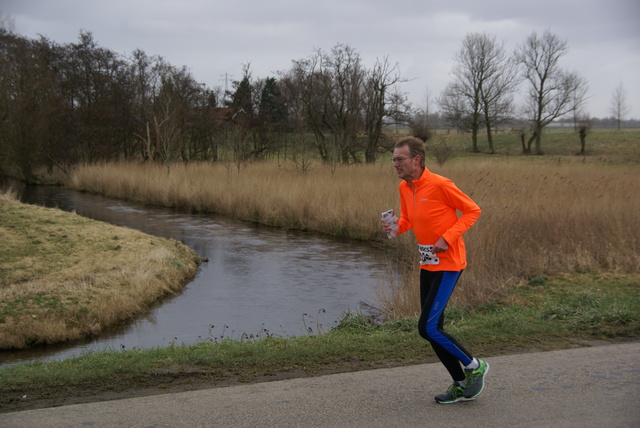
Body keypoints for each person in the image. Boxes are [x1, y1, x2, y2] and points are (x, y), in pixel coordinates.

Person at [381, 136, 489, 404]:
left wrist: (447, 237)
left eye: (399, 159)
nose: (395, 163)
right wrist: (394, 227)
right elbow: (408, 220)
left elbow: (473, 210)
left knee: (428, 327)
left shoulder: (440, 184)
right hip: (428, 263)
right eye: (393, 159)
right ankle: (461, 384)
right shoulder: (405, 188)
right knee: (432, 329)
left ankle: (475, 366)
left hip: (449, 263)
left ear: (416, 160)